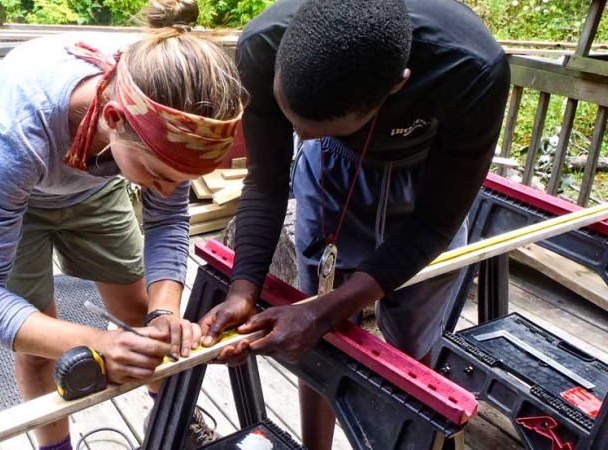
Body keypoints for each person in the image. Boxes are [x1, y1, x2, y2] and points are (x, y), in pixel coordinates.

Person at [198, 0, 510, 448]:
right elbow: (266, 182)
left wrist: (323, 313)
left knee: (412, 340)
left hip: (425, 179)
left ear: (397, 87)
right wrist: (243, 288)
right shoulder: (264, 43)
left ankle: (408, 438)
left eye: (319, 127)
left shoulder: (470, 68)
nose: (300, 139)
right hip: (332, 171)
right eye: (292, 120)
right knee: (309, 339)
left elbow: (435, 224)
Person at [0, 0, 245, 448]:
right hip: (19, 193)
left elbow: (168, 218)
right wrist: (97, 342)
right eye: (160, 177)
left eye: (178, 180)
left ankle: (174, 422)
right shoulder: (20, 130)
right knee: (35, 344)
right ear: (112, 119)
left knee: (139, 309)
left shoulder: (161, 102)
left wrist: (164, 313)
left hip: (95, 180)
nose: (166, 192)